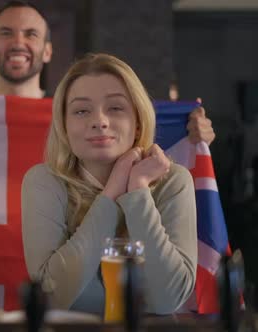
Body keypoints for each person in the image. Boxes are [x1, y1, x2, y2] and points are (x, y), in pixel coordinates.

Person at [21, 53, 197, 315]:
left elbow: (167, 299)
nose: (99, 121)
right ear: (65, 127)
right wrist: (112, 193)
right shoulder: (44, 182)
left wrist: (137, 190)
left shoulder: (175, 181)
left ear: (137, 123)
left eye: (115, 108)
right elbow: (51, 296)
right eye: (81, 111)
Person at [0, 0, 216, 145]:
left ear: (48, 51)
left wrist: (190, 135)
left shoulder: (75, 114)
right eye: (6, 33)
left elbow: (142, 140)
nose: (18, 42)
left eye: (31, 34)